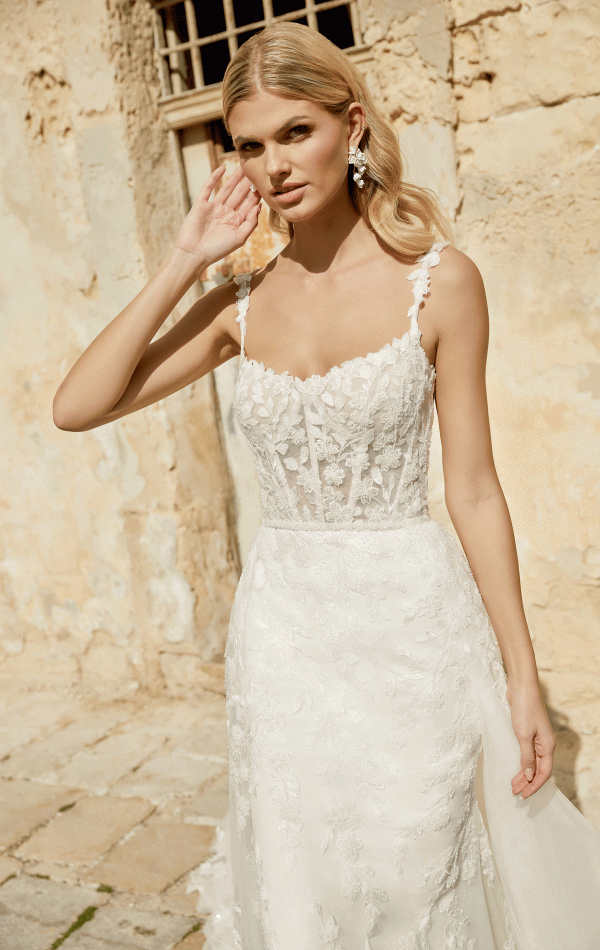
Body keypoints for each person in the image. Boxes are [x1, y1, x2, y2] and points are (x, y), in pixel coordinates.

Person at [53, 20, 600, 950]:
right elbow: (78, 405)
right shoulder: (239, 300)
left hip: (412, 623)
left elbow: (473, 490)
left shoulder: (443, 284)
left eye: (294, 133)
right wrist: (187, 257)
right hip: (287, 635)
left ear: (351, 126)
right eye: (249, 145)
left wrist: (522, 676)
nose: (272, 165)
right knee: (311, 873)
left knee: (420, 862)